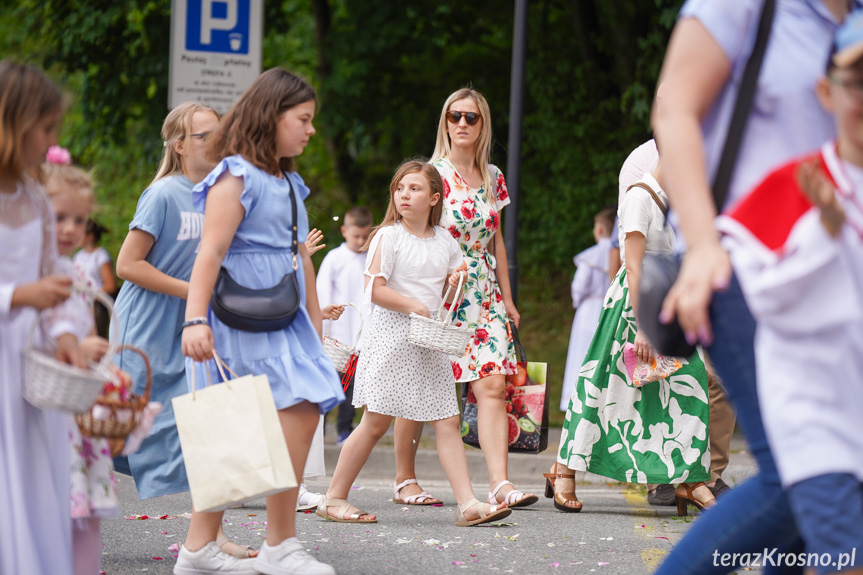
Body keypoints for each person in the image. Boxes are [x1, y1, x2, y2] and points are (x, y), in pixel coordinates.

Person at [651, 1, 857, 572]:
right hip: (738, 263)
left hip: (823, 279)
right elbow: (673, 109)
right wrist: (704, 242)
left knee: (824, 485)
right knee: (805, 471)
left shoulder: (850, 20)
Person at [181, 67, 343, 575]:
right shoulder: (235, 174)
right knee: (239, 423)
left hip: (285, 314)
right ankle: (218, 548)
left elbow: (301, 258)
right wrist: (193, 320)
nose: (310, 130)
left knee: (302, 405)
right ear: (272, 116)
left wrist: (315, 322)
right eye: (303, 119)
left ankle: (261, 544)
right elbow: (210, 251)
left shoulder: (289, 179)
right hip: (237, 315)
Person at [718, 19, 863, 571]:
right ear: (826, 92)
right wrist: (825, 229)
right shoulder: (794, 185)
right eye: (858, 81)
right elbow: (767, 299)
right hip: (819, 420)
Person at [318, 159, 512, 528]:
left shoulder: (445, 240)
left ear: (435, 198)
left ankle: (469, 503)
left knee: (447, 421)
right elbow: (375, 290)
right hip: (392, 338)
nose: (404, 195)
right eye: (400, 188)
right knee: (375, 423)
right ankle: (334, 498)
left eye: (415, 189)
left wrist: (453, 283)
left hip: (429, 340)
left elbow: (444, 286)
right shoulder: (388, 236)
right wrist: (413, 305)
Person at [113, 102, 251, 559]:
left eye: (220, 134)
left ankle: (210, 536)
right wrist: (194, 288)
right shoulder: (163, 194)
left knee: (210, 428)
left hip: (193, 328)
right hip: (147, 330)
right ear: (179, 145)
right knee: (122, 433)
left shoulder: (221, 194)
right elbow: (127, 265)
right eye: (204, 135)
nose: (215, 142)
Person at [390, 87, 537, 511]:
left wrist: (508, 298)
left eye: (471, 117)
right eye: (455, 116)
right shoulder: (431, 174)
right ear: (445, 121)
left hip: (484, 293)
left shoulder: (493, 176)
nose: (461, 124)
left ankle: (500, 483)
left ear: (483, 124)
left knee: (491, 383)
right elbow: (414, 229)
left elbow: (497, 243)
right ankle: (404, 478)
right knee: (421, 388)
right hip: (439, 289)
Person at [551, 153, 714, 514]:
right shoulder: (640, 197)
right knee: (603, 388)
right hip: (634, 307)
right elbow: (633, 266)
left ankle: (690, 477)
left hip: (666, 299)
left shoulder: (675, 202)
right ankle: (565, 468)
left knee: (690, 384)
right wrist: (643, 328)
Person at [0, 59, 80, 575]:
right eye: (46, 127)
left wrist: (67, 332)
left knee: (30, 477)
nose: (51, 140)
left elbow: (56, 279)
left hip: (30, 361)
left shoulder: (34, 198)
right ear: (13, 122)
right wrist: (18, 295)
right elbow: (31, 287)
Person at [42, 149, 123, 575]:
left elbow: (90, 331)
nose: (71, 229)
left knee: (82, 508)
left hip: (76, 405)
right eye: (59, 219)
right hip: (46, 399)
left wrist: (103, 363)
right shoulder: (32, 274)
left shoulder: (83, 275)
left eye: (79, 220)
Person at [316, 205, 373, 446]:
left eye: (364, 236)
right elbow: (322, 292)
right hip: (336, 334)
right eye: (355, 236)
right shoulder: (335, 258)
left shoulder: (371, 259)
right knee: (328, 383)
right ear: (344, 231)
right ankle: (317, 430)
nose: (360, 241)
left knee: (351, 386)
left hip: (359, 335)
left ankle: (344, 430)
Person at [559, 207, 615, 411]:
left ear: (599, 230)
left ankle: (577, 400)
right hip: (609, 307)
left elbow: (579, 286)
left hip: (588, 309)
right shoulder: (619, 253)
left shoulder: (590, 257)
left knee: (582, 353)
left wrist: (578, 300)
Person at [74, 218, 116, 338]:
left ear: (90, 236)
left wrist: (90, 296)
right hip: (81, 305)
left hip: (97, 305)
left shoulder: (100, 256)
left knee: (97, 338)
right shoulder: (78, 256)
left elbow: (110, 285)